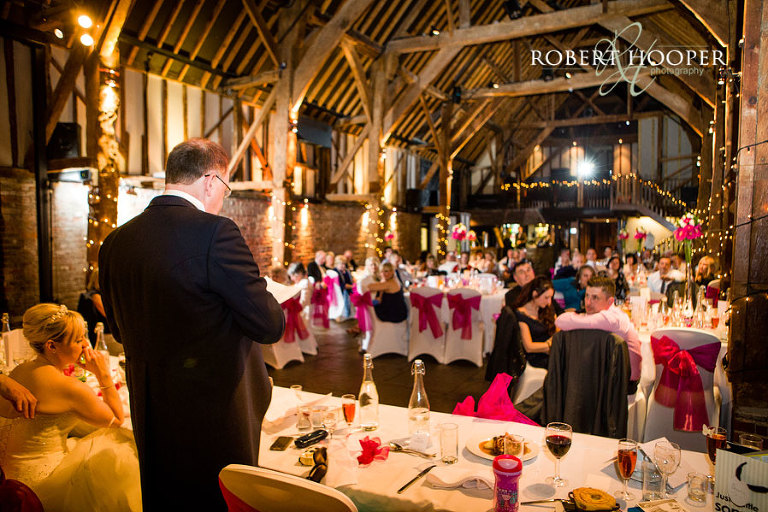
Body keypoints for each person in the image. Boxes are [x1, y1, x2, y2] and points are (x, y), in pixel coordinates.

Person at [99, 138, 285, 510]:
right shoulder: (216, 233)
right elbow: (268, 325)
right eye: (226, 188)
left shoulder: (114, 242)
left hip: (151, 412)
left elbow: (119, 330)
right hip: (213, 414)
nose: (222, 199)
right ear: (211, 180)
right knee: (218, 501)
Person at [0, 304, 140, 510]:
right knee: (123, 446)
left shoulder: (22, 369)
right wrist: (103, 374)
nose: (86, 344)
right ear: (52, 346)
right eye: (78, 340)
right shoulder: (68, 387)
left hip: (10, 472)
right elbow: (116, 420)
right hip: (41, 486)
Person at [555, 276, 642, 394]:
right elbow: (561, 321)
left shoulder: (613, 318)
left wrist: (579, 317)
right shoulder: (605, 313)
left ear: (610, 301)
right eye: (587, 296)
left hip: (623, 384)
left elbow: (560, 321)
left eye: (595, 297)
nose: (588, 302)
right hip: (610, 377)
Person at [512, 277, 556, 369]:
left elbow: (557, 329)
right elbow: (529, 347)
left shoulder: (546, 308)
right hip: (535, 358)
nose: (549, 302)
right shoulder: (522, 315)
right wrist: (549, 346)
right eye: (546, 297)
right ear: (535, 294)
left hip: (550, 352)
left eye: (551, 297)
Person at [334, 254, 354, 319]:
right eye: (341, 264)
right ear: (336, 264)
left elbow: (350, 280)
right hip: (340, 294)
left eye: (344, 264)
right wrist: (353, 286)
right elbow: (342, 285)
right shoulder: (335, 272)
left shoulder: (345, 271)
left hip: (347, 292)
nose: (343, 266)